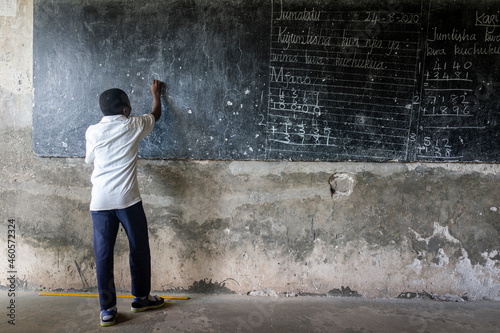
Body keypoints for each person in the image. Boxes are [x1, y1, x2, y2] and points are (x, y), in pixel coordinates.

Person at [85, 80, 165, 327]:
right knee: (138, 247)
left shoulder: (92, 131)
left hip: (99, 202)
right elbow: (156, 114)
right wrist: (156, 94)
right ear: (126, 109)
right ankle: (141, 298)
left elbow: (89, 160)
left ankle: (107, 311)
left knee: (103, 254)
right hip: (127, 200)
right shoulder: (134, 124)